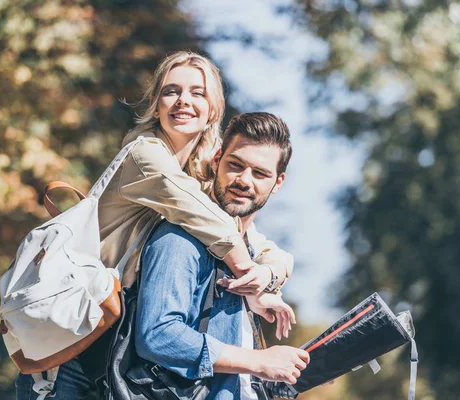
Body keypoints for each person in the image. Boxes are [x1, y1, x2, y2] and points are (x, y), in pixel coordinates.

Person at [16, 52, 295, 399]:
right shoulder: (145, 156)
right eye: (171, 91)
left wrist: (269, 275)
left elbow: (257, 242)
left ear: (214, 109)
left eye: (198, 93)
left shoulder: (192, 175)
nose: (183, 101)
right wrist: (253, 285)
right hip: (72, 342)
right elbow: (223, 230)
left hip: (108, 346)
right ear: (156, 104)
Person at [136, 112, 309, 399]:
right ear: (217, 160)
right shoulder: (181, 238)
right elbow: (157, 335)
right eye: (235, 165)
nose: (244, 180)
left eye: (260, 173)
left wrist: (293, 369)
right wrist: (260, 361)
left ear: (278, 183)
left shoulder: (249, 252)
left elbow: (233, 366)